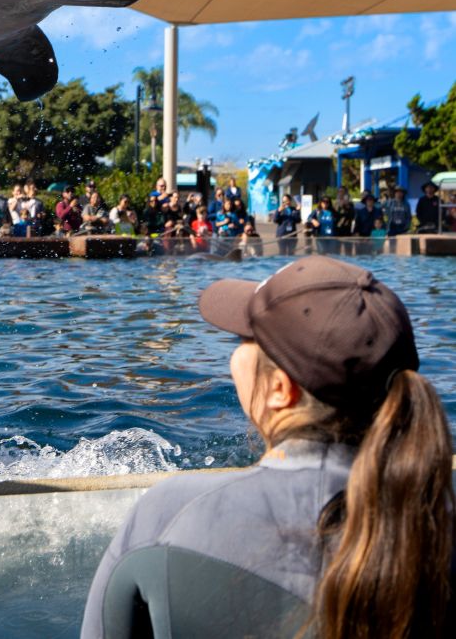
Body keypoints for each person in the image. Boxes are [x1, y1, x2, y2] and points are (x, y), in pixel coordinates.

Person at [81, 257, 455, 639]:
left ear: (280, 388)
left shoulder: (166, 517)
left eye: (244, 340)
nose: (234, 353)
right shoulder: (435, 520)